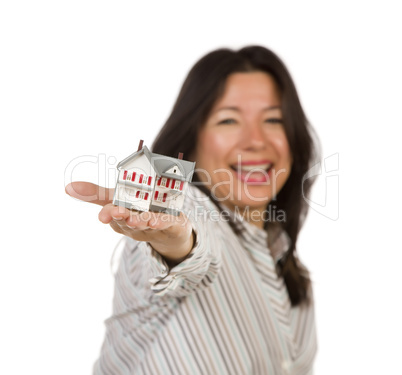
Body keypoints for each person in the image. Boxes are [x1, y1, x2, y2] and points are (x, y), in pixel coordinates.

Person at [66, 45, 319, 375]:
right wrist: (173, 243)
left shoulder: (290, 268)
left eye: (273, 119)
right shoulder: (185, 208)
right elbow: (191, 242)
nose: (256, 140)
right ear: (194, 139)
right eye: (228, 120)